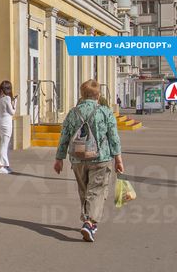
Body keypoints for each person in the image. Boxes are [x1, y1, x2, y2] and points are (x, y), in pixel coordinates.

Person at [54, 79, 124, 242]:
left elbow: (64, 136)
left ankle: (87, 219)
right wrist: (118, 159)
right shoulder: (105, 112)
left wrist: (59, 158)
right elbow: (113, 137)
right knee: (97, 190)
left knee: (84, 190)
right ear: (98, 95)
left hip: (78, 158)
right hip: (101, 158)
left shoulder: (73, 113)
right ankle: (90, 222)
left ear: (82, 94)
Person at [0, 80, 17, 174]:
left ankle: (5, 165)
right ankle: (0, 166)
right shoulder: (7, 98)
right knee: (4, 145)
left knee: (4, 143)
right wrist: (15, 103)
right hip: (6, 123)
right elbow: (12, 112)